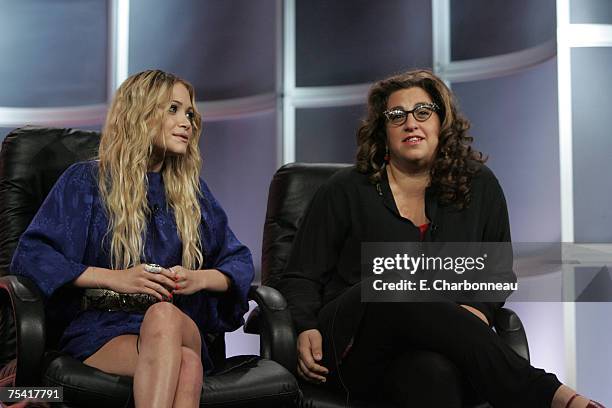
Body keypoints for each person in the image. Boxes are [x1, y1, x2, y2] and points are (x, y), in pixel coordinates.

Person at [274, 70, 604, 408]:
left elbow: (497, 272)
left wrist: (478, 308)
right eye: (396, 115)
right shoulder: (343, 190)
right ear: (382, 131)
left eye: (422, 112)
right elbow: (301, 275)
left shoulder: (480, 186)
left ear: (441, 123)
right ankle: (546, 394)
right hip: (355, 342)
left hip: (439, 348)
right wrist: (304, 326)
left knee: (434, 374)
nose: (410, 123)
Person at [10, 70, 254, 408]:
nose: (187, 122)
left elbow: (239, 261)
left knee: (164, 317)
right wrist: (116, 278)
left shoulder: (191, 194)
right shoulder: (86, 182)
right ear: (140, 112)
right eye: (173, 109)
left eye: (189, 113)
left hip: (178, 323)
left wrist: (198, 278)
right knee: (188, 366)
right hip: (102, 330)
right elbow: (31, 256)